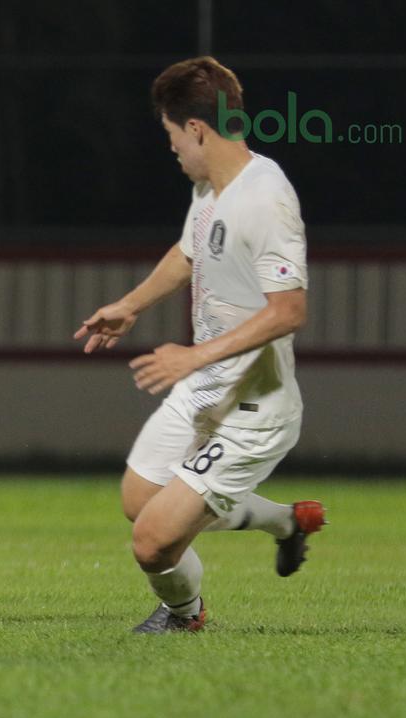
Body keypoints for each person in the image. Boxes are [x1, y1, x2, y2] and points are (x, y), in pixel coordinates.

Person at [74, 56, 325, 634]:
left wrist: (193, 356)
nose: (171, 150)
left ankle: (185, 616)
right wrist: (131, 305)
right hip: (206, 388)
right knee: (140, 499)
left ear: (196, 129)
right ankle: (287, 522)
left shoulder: (265, 197)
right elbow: (190, 251)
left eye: (170, 135)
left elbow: (290, 310)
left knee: (152, 541)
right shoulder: (211, 186)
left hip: (253, 409)